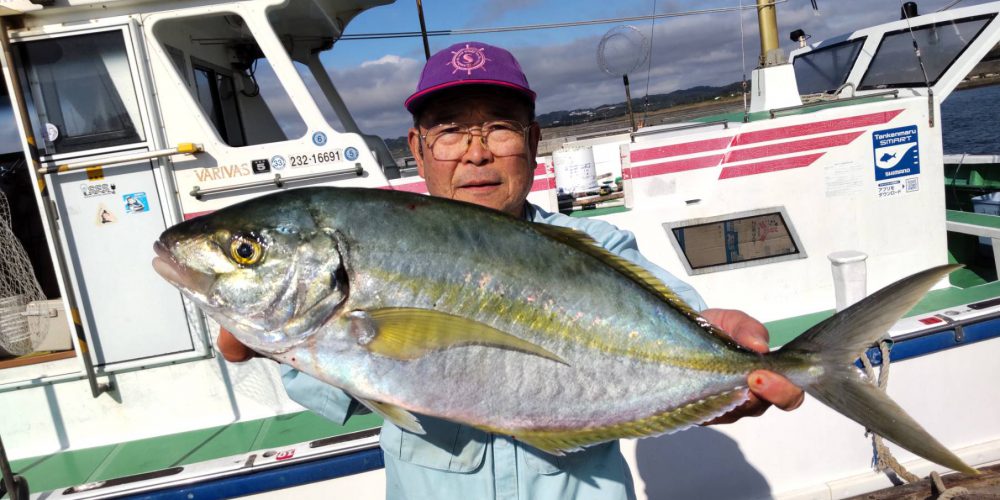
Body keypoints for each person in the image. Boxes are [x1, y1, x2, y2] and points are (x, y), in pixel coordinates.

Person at [218, 41, 804, 499]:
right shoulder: (372, 248)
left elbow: (682, 339)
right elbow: (349, 379)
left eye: (499, 127)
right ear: (417, 148)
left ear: (534, 141)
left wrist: (724, 378)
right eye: (450, 131)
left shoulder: (596, 246)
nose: (477, 152)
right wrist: (275, 338)